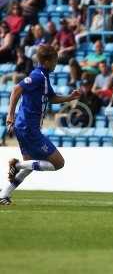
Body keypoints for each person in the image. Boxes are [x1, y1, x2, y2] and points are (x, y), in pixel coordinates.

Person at [0, 45, 81, 205]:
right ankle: (17, 164)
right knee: (58, 163)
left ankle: (4, 194)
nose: (56, 64)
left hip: (27, 127)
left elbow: (51, 97)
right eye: (55, 61)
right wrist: (10, 116)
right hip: (28, 127)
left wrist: (69, 98)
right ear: (47, 61)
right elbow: (16, 89)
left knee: (31, 165)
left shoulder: (44, 77)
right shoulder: (37, 76)